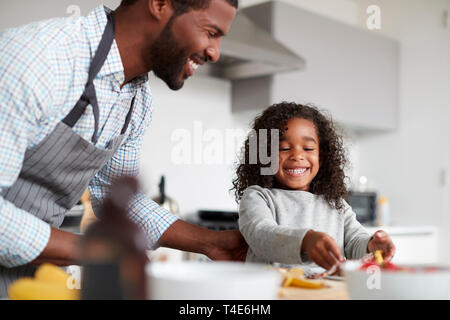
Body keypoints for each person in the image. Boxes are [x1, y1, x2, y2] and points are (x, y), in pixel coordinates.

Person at [0, 0, 247, 296]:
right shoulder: (38, 59)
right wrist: (100, 250)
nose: (215, 52)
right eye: (210, 32)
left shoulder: (137, 101)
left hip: (38, 278)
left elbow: (115, 199)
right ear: (159, 4)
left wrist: (213, 242)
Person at [232, 102, 395, 275]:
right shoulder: (258, 197)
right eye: (284, 148)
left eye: (308, 148)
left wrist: (371, 246)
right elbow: (261, 235)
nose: (297, 156)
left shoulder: (335, 204)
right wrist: (305, 241)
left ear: (322, 157)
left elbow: (355, 241)